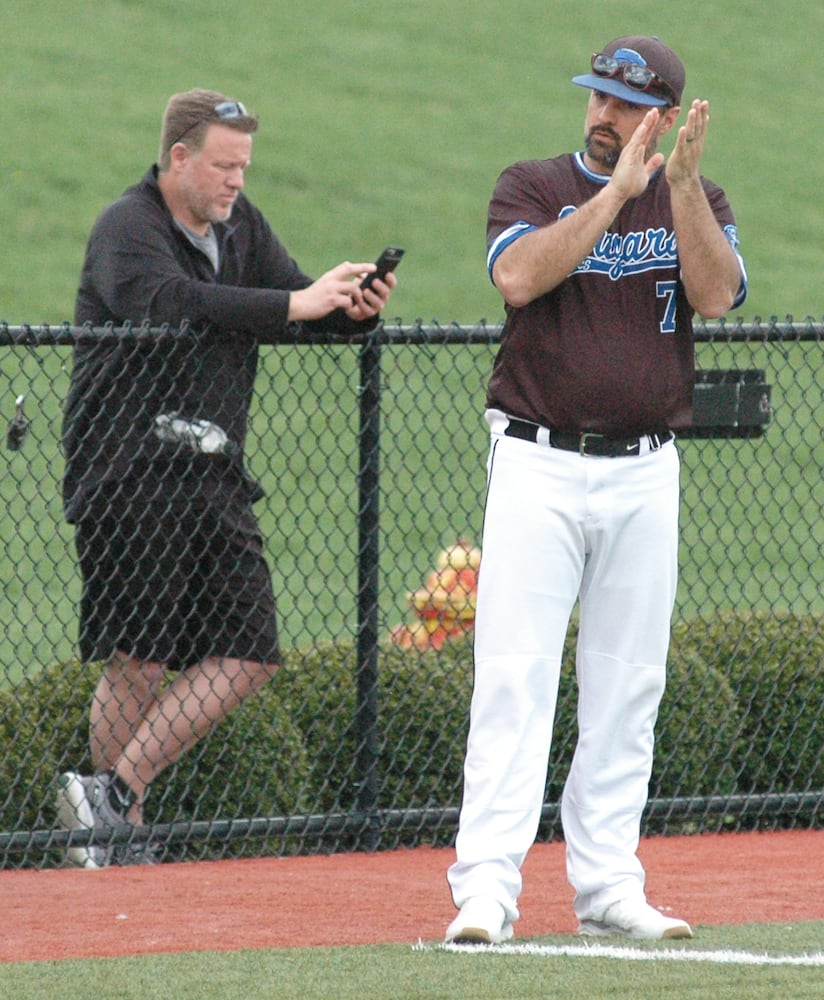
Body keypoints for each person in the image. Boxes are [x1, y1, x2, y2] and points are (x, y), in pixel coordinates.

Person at [445, 36, 747, 942]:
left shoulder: (701, 198)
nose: (604, 115)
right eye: (598, 98)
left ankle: (610, 882)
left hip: (645, 467)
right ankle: (487, 892)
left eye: (625, 104)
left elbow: (718, 294)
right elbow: (517, 274)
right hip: (539, 459)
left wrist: (679, 189)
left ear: (662, 116)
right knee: (514, 676)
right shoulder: (534, 184)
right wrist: (613, 195)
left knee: (627, 681)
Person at [56, 88, 397, 868]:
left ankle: (111, 792)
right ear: (179, 158)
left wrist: (353, 309)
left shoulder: (240, 226)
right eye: (223, 165)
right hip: (130, 470)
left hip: (214, 471)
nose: (237, 182)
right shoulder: (127, 227)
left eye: (243, 166)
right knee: (139, 659)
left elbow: (291, 306)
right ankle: (118, 835)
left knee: (250, 651)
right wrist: (294, 302)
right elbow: (177, 305)